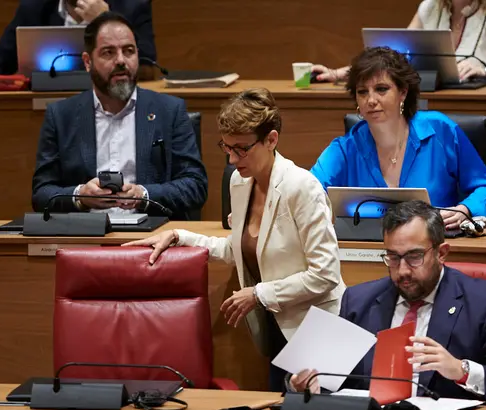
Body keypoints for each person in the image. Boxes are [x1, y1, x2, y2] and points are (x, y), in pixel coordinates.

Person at [124, 88, 346, 392]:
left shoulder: (302, 188)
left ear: (271, 140)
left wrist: (257, 294)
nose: (232, 159)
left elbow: (326, 274)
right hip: (277, 329)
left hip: (318, 330)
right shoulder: (240, 182)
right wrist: (179, 236)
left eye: (241, 148)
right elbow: (236, 249)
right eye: (226, 148)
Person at [290, 200, 486, 409]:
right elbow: (320, 378)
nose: (402, 271)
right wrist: (302, 384)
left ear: (441, 253)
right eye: (392, 257)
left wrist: (461, 370)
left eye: (414, 257)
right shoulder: (359, 301)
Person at [31, 12, 206, 220]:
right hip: (86, 237)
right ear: (87, 62)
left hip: (152, 237)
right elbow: (41, 193)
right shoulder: (61, 116)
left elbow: (195, 186)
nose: (121, 61)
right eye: (108, 53)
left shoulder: (169, 111)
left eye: (129, 51)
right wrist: (80, 196)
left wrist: (143, 195)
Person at [310, 47, 486, 230]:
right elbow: (306, 191)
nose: (371, 100)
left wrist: (464, 210)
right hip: (367, 251)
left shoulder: (442, 131)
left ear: (403, 92)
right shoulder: (345, 149)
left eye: (381, 89)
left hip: (437, 247)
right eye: (362, 92)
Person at [312, 0, 486, 83]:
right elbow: (392, 59)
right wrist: (339, 73)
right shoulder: (431, 7)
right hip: (433, 108)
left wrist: (485, 70)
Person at [0, 0, 157, 88]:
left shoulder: (132, 5)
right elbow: (2, 55)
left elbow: (147, 61)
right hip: (46, 107)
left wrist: (107, 19)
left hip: (112, 103)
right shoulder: (36, 6)